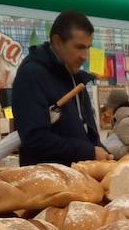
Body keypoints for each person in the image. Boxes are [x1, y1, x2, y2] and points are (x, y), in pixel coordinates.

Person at [11, 10, 109, 165]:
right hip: (46, 181)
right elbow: (34, 138)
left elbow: (86, 132)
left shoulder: (75, 77)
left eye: (88, 48)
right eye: (79, 47)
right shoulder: (32, 75)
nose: (85, 56)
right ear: (57, 42)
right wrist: (89, 152)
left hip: (80, 177)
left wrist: (104, 154)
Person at [101, 89, 129, 158]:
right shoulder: (120, 120)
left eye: (109, 107)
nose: (108, 110)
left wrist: (112, 150)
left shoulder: (125, 122)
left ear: (114, 107)